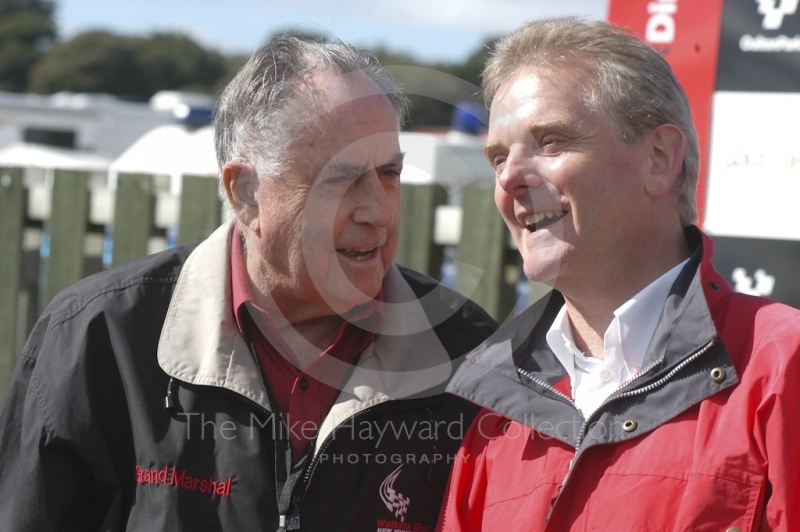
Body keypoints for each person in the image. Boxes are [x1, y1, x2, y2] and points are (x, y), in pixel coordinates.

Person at [0, 36, 496, 531]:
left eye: (389, 174)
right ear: (246, 193)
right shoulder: (97, 337)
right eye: (339, 180)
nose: (379, 212)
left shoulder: (470, 354)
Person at [438, 17, 799, 531]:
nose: (510, 179)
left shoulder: (782, 365)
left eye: (551, 141)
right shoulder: (494, 411)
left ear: (659, 158)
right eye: (498, 157)